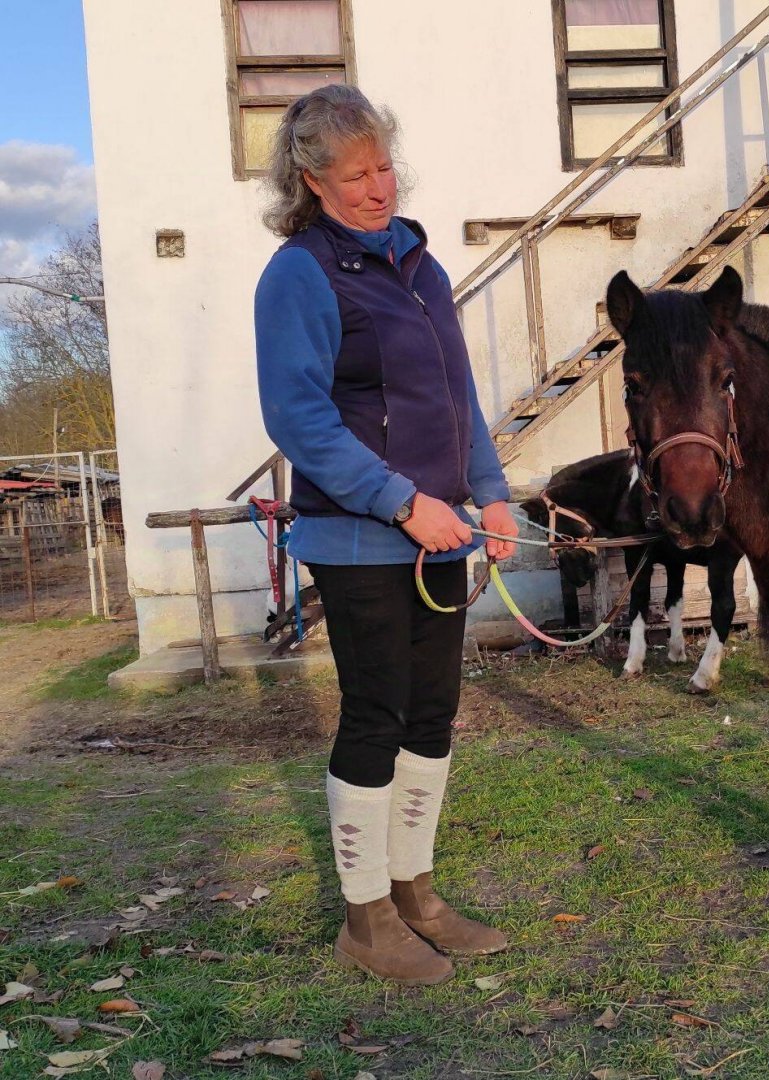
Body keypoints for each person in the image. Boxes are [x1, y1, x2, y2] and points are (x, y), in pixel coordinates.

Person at [253, 85, 519, 985]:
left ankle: (416, 893)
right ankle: (365, 921)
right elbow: (298, 419)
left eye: (384, 166)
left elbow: (458, 401)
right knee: (377, 716)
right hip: (361, 542)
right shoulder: (299, 274)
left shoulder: (422, 267)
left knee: (433, 718)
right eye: (357, 173)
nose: (378, 186)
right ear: (312, 179)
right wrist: (403, 502)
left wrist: (491, 495)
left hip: (444, 539)